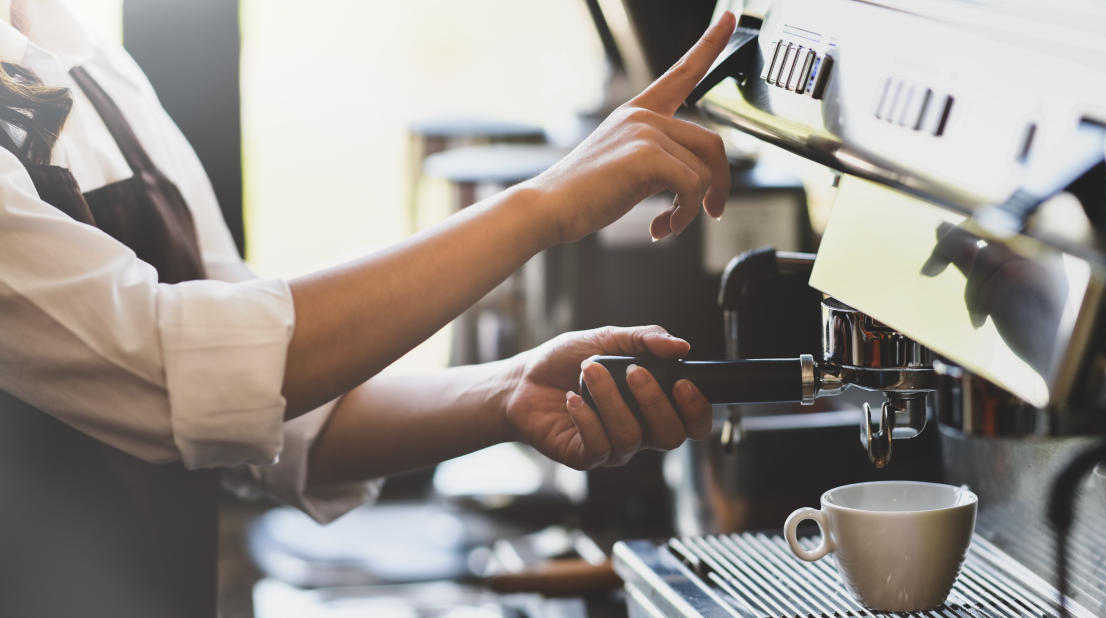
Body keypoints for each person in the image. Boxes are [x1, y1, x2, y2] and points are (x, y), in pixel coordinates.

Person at [0, 1, 737, 615]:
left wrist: (506, 392)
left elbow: (264, 404)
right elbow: (175, 373)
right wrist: (543, 206)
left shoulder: (86, 62)